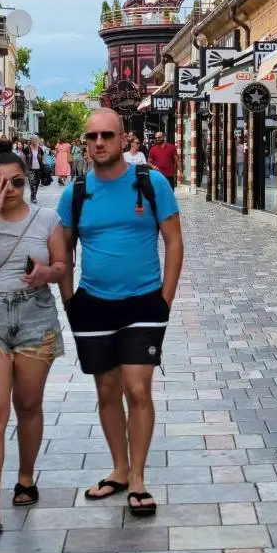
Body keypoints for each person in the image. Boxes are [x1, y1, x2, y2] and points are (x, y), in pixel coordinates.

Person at [57, 109, 182, 517]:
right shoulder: (74, 192)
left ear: (123, 138)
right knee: (107, 391)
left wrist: (165, 298)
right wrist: (68, 298)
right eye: (92, 136)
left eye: (107, 135)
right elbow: (63, 245)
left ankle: (140, 478)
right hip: (92, 303)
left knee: (137, 388)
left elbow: (174, 242)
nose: (99, 143)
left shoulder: (150, 182)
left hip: (144, 301)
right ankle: (120, 469)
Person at [0, 151, 68, 534]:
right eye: (1, 183)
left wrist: (46, 273)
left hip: (35, 315)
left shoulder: (47, 219)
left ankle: (25, 475)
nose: (11, 190)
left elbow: (62, 266)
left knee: (28, 404)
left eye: (18, 181)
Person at [24, 135, 45, 202]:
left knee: (37, 183)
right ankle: (33, 197)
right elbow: (24, 157)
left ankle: (33, 194)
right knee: (32, 182)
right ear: (30, 140)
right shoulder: (27, 148)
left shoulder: (40, 149)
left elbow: (43, 157)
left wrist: (43, 165)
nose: (34, 141)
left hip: (38, 168)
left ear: (37, 141)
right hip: (30, 168)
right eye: (33, 140)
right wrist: (25, 167)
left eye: (35, 140)